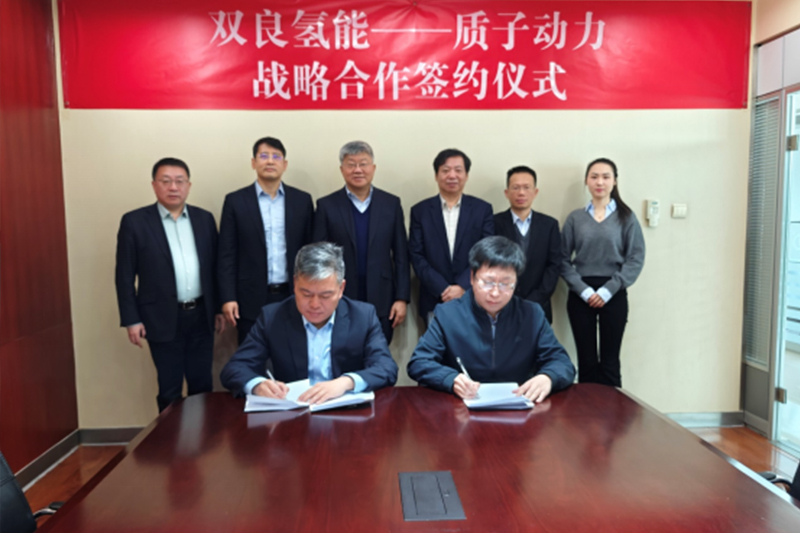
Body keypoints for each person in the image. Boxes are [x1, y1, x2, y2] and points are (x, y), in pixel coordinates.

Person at [220, 242, 398, 404]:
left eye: (325, 296)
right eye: (306, 294)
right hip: (293, 413)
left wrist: (346, 382)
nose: (314, 304)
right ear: (295, 283)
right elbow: (234, 368)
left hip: (345, 414)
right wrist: (257, 385)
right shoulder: (272, 317)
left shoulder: (363, 316)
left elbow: (386, 368)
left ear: (341, 289)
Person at [407, 236, 575, 402]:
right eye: (488, 282)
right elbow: (419, 362)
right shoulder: (448, 314)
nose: (495, 293)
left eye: (505, 284)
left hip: (518, 404)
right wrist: (450, 379)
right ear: (472, 278)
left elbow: (562, 362)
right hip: (461, 406)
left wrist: (548, 377)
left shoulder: (531, 314)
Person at [115, 157, 225, 412]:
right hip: (160, 317)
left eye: (179, 181)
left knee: (202, 384)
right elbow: (124, 275)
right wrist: (131, 319)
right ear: (154, 185)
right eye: (166, 181)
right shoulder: (135, 222)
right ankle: (170, 437)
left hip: (201, 315)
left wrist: (218, 308)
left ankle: (202, 435)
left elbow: (216, 268)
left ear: (189, 185)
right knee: (169, 388)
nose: (173, 187)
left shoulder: (204, 219)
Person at [218, 137, 314, 345]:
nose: (270, 161)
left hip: (293, 295)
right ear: (253, 163)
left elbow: (310, 252)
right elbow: (226, 254)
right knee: (252, 356)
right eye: (263, 156)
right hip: (249, 298)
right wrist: (228, 297)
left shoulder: (302, 201)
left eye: (276, 157)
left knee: (292, 354)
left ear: (284, 164)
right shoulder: (235, 201)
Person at [313, 141, 410, 344]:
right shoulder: (326, 205)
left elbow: (401, 255)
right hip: (340, 297)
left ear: (373, 168)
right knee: (342, 350)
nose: (358, 170)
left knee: (379, 351)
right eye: (351, 164)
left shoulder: (391, 204)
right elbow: (319, 258)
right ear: (342, 169)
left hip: (383, 297)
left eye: (363, 164)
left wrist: (401, 298)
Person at [561, 158, 645, 387]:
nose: (600, 182)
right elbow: (561, 259)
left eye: (606, 177)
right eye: (594, 176)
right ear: (586, 181)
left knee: (610, 362)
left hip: (614, 293)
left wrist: (608, 290)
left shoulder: (627, 217)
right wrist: (584, 291)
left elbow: (636, 258)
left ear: (614, 181)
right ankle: (587, 410)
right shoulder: (575, 218)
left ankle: (613, 410)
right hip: (581, 295)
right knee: (586, 361)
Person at [409, 148, 494, 323]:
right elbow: (416, 255)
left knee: (473, 341)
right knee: (435, 341)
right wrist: (443, 288)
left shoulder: (482, 209)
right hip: (434, 297)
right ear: (436, 175)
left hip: (473, 296)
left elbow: (486, 253)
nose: (452, 175)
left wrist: (463, 285)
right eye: (446, 170)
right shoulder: (420, 211)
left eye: (458, 170)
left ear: (466, 175)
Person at [493, 165, 561, 323]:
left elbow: (554, 265)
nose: (521, 193)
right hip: (501, 305)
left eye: (526, 187)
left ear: (535, 192)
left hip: (539, 306)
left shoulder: (549, 225)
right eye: (516, 187)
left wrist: (536, 299)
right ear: (506, 192)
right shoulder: (493, 223)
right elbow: (489, 264)